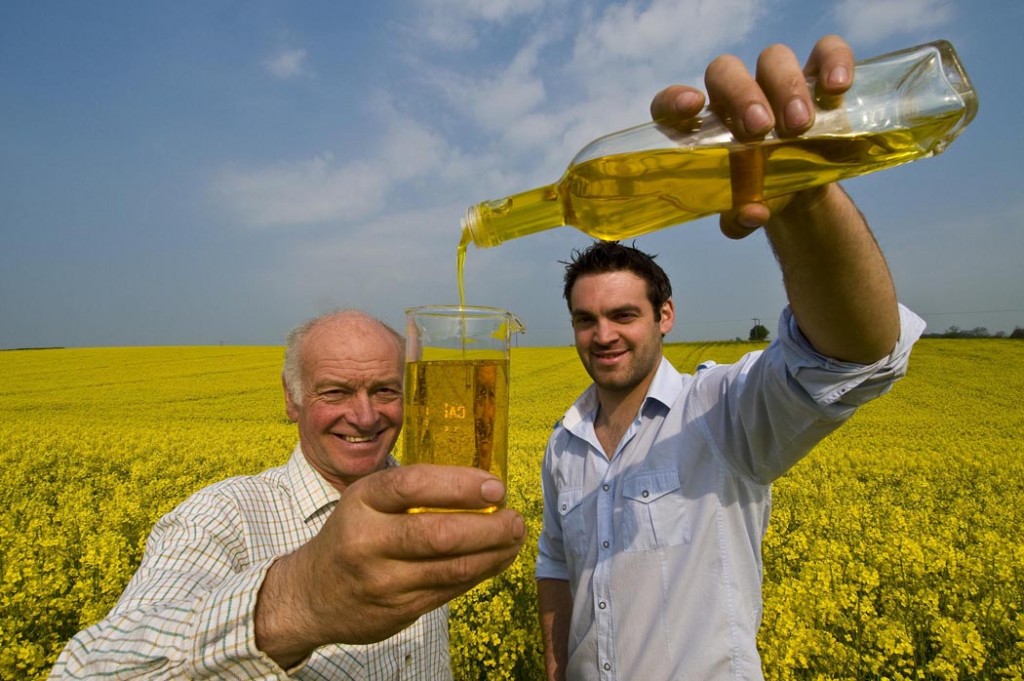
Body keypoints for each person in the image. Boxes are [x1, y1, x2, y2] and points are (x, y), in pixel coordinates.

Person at [535, 35, 927, 680]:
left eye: (624, 315)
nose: (602, 334)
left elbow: (852, 356)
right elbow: (555, 560)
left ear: (665, 317)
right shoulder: (564, 443)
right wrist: (554, 664)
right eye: (586, 319)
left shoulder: (719, 412)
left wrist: (802, 196)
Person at [51, 310, 526, 679]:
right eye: (336, 392)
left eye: (385, 390)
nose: (364, 417)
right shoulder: (223, 517)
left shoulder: (429, 508)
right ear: (291, 399)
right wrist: (298, 602)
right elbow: (89, 670)